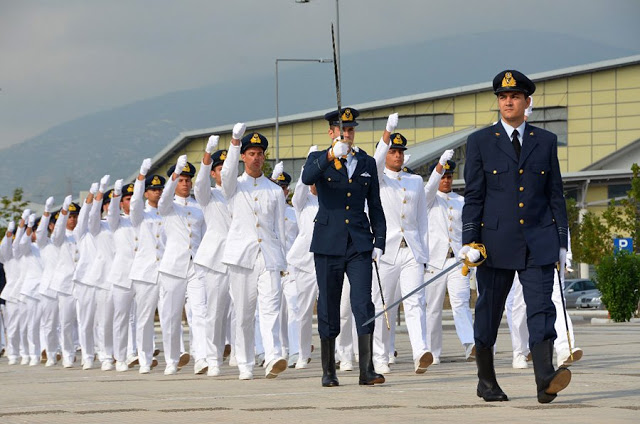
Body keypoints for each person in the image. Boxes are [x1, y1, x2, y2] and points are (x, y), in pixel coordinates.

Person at [461, 70, 571, 404]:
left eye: (515, 96)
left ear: (527, 102)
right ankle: (486, 380)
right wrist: (469, 241)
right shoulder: (480, 142)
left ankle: (544, 379)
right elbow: (475, 197)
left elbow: (556, 194)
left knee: (541, 311)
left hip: (538, 241)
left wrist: (562, 241)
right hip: (494, 245)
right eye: (503, 97)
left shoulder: (545, 140)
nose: (508, 102)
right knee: (489, 313)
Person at [301, 107, 387, 387]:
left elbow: (374, 204)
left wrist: (380, 241)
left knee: (363, 302)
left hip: (359, 244)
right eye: (340, 129)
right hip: (328, 243)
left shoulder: (367, 162)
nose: (345, 134)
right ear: (331, 132)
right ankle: (328, 370)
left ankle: (367, 369)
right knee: (328, 304)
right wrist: (329, 156)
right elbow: (306, 178)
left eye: (349, 129)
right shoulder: (318, 158)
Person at [220, 124, 288, 380]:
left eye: (260, 153)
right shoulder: (234, 186)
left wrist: (283, 262)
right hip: (242, 258)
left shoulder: (274, 190)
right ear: (244, 157)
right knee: (244, 314)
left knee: (270, 309)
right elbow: (226, 174)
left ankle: (272, 357)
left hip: (269, 257)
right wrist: (235, 141)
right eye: (251, 153)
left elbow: (279, 227)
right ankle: (246, 362)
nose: (256, 157)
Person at [371, 119, 433, 375]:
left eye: (400, 151)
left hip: (412, 251)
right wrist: (386, 134)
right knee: (382, 305)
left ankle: (420, 351)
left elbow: (422, 221)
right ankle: (380, 355)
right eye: (392, 151)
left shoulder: (415, 181)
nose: (397, 155)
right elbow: (375, 164)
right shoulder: (378, 179)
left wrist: (425, 255)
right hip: (386, 251)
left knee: (416, 300)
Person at [424, 152, 475, 364]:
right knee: (433, 308)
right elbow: (429, 189)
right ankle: (433, 351)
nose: (446, 180)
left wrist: (468, 251)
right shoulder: (427, 199)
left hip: (457, 260)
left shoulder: (461, 201)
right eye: (442, 176)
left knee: (460, 302)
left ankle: (470, 345)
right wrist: (439, 165)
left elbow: (468, 230)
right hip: (434, 261)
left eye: (449, 176)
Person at [157, 155, 207, 376]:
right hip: (173, 267)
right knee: (170, 315)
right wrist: (174, 174)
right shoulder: (167, 206)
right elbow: (164, 199)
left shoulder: (199, 208)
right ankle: (172, 358)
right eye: (181, 179)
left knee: (200, 312)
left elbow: (204, 237)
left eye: (188, 179)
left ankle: (202, 357)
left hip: (195, 265)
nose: (185, 183)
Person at [193, 138, 233, 377]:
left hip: (240, 258)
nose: (225, 172)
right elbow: (199, 183)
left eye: (229, 167)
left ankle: (241, 354)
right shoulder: (210, 195)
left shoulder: (240, 192)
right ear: (215, 173)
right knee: (215, 311)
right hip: (216, 260)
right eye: (221, 169)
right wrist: (208, 155)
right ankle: (212, 357)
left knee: (243, 311)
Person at [129, 160, 167, 374]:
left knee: (170, 315)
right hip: (145, 272)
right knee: (144, 318)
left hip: (168, 270)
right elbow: (134, 204)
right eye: (153, 190)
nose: (158, 193)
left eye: (160, 189)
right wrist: (141, 177)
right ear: (146, 193)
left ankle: (174, 356)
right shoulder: (140, 214)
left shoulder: (170, 212)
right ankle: (144, 358)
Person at [288, 146, 320, 368]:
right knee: (303, 310)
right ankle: (302, 353)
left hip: (328, 259)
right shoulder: (302, 201)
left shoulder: (331, 200)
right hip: (305, 263)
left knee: (334, 310)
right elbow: (299, 190)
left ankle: (338, 353)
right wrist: (307, 164)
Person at [271, 164, 301, 368]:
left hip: (290, 266)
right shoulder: (266, 211)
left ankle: (296, 350)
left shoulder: (294, 213)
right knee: (275, 310)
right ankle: (280, 349)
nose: (281, 190)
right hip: (272, 265)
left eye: (284, 187)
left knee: (294, 307)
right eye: (277, 186)